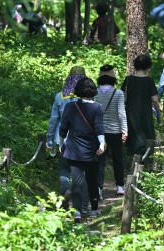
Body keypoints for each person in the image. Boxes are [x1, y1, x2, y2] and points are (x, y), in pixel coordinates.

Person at [59, 77, 105, 221]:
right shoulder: (97, 107)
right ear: (92, 91)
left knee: (77, 182)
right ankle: (94, 210)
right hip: (91, 150)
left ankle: (77, 212)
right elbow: (99, 128)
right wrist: (102, 145)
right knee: (92, 181)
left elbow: (63, 128)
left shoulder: (70, 106)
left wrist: (61, 145)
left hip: (73, 150)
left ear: (78, 90)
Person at [46, 66, 90, 212]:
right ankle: (83, 207)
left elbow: (53, 121)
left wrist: (50, 141)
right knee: (81, 172)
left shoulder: (59, 97)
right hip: (82, 141)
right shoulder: (88, 98)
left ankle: (66, 190)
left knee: (64, 168)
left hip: (62, 141)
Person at [95, 65, 128, 197]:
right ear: (113, 78)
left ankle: (98, 188)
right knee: (118, 159)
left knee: (99, 160)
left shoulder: (94, 92)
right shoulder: (118, 93)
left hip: (99, 132)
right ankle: (120, 186)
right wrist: (125, 131)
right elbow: (121, 113)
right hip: (115, 132)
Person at [121, 55, 162, 156]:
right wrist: (159, 115)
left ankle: (132, 161)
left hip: (130, 114)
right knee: (146, 138)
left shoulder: (128, 79)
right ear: (148, 67)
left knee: (133, 137)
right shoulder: (149, 81)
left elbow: (122, 98)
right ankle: (146, 163)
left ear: (135, 65)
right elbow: (155, 100)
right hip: (145, 115)